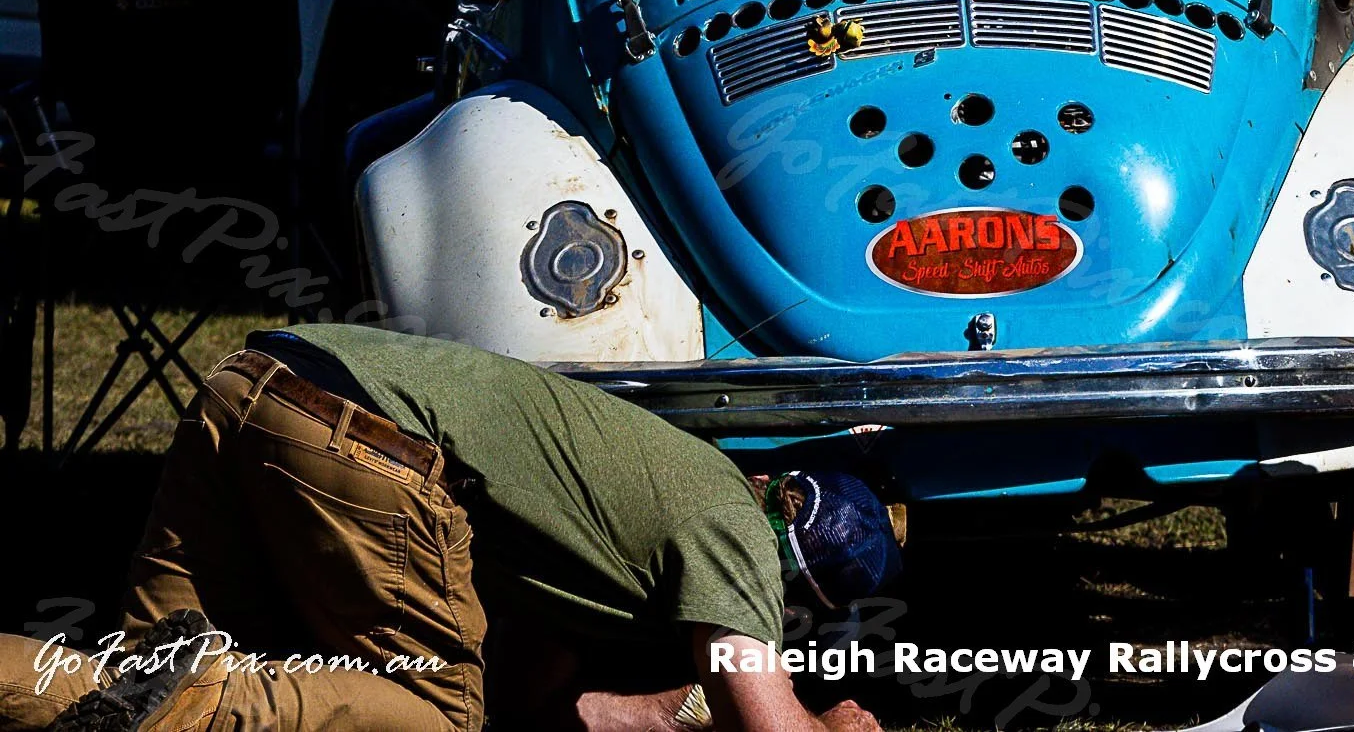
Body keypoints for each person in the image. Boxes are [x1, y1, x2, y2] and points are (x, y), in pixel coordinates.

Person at [0, 326, 901, 732]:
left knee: (135, 678)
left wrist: (655, 712)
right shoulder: (733, 526)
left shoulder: (630, 519)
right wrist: (837, 722)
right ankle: (204, 706)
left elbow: (525, 703)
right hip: (360, 435)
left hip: (258, 382)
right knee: (433, 714)